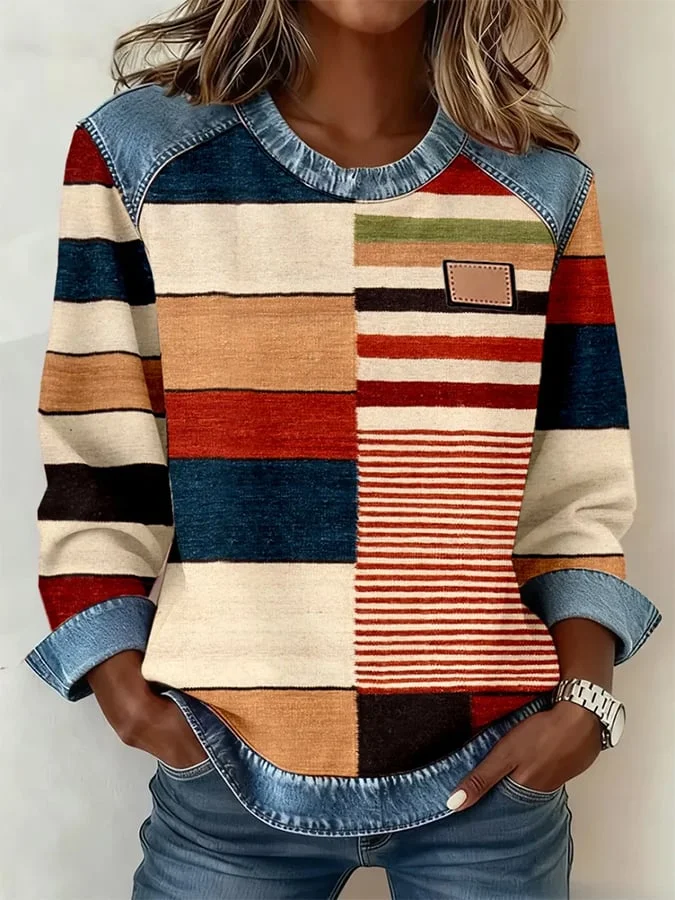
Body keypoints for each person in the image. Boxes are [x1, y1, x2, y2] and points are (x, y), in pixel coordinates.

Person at [24, 1, 662, 897]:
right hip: (225, 774)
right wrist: (120, 686)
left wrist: (583, 707)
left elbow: (572, 496)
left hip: (495, 778)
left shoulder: (538, 188)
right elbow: (97, 455)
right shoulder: (144, 159)